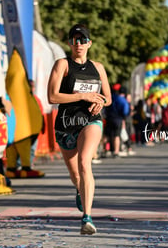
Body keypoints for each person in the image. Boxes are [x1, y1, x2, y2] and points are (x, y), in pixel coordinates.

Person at [47, 23, 111, 235]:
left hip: (90, 120)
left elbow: (108, 98)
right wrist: (82, 96)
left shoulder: (98, 68)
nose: (79, 45)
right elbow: (52, 97)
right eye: (75, 41)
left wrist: (100, 102)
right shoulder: (62, 65)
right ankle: (79, 190)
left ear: (89, 43)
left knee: (85, 163)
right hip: (66, 125)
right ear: (69, 44)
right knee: (75, 174)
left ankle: (87, 218)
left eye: (83, 41)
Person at [103, 84, 130, 158]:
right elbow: (125, 110)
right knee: (116, 135)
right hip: (118, 119)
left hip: (109, 118)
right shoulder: (121, 99)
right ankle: (116, 152)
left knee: (107, 134)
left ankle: (105, 150)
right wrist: (124, 117)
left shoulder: (110, 97)